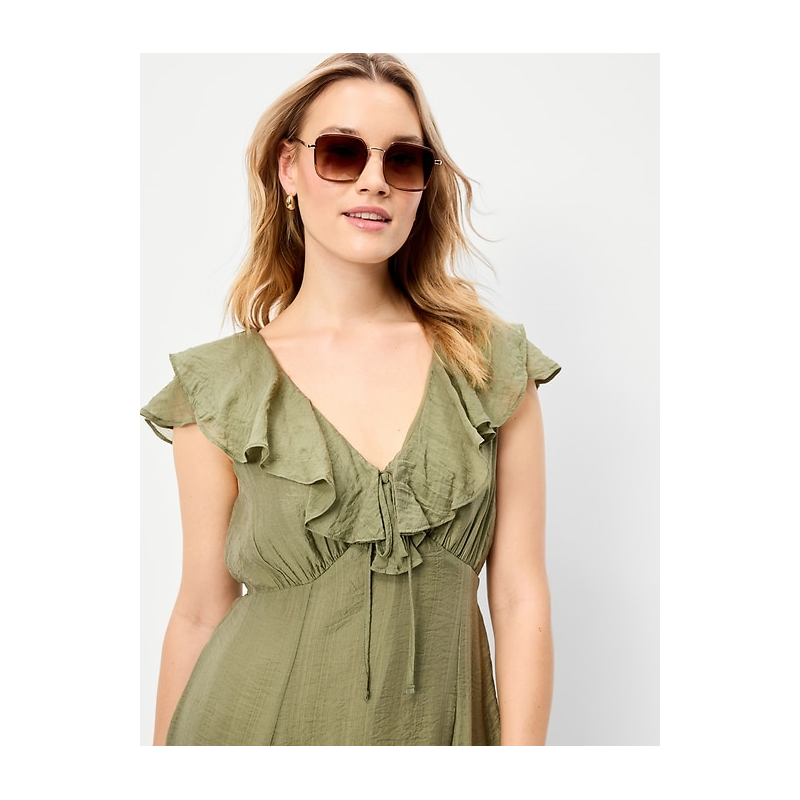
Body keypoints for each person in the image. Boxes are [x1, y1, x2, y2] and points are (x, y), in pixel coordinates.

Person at [141, 52, 561, 747]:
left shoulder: (490, 367)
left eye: (403, 159)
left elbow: (520, 596)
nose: (374, 180)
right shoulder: (220, 390)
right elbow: (199, 611)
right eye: (341, 152)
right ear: (289, 169)